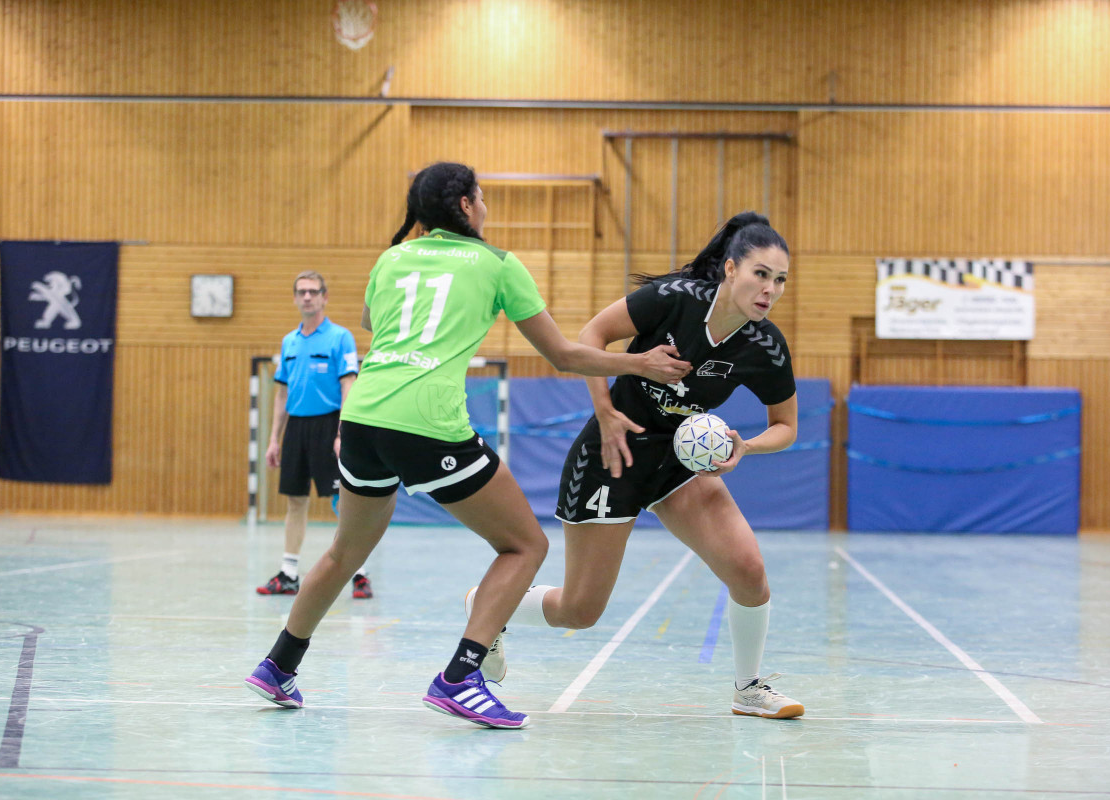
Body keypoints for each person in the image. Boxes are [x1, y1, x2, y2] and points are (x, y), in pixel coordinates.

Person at [244, 162, 691, 729]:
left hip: (361, 418)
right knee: (525, 545)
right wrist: (639, 363)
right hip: (427, 421)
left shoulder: (392, 258)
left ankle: (279, 665)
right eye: (480, 196)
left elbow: (371, 321)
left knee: (343, 553)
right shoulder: (497, 264)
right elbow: (563, 355)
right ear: (464, 205)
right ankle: (460, 677)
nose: (485, 205)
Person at [465, 211, 806, 719]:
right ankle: (486, 604)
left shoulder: (765, 346)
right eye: (761, 274)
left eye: (780, 280)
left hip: (680, 462)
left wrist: (748, 447)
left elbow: (786, 425)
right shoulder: (674, 299)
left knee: (749, 571)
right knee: (580, 610)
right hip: (613, 453)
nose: (770, 290)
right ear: (731, 269)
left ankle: (749, 688)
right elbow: (591, 335)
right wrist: (605, 412)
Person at [258, 271, 373, 599]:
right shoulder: (289, 342)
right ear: (295, 298)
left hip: (329, 424)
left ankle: (360, 575)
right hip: (297, 427)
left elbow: (348, 384)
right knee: (295, 500)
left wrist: (342, 431)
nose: (307, 297)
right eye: (301, 292)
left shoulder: (340, 338)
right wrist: (274, 438)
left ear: (324, 297)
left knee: (343, 502)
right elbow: (282, 394)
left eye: (313, 291)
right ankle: (289, 574)